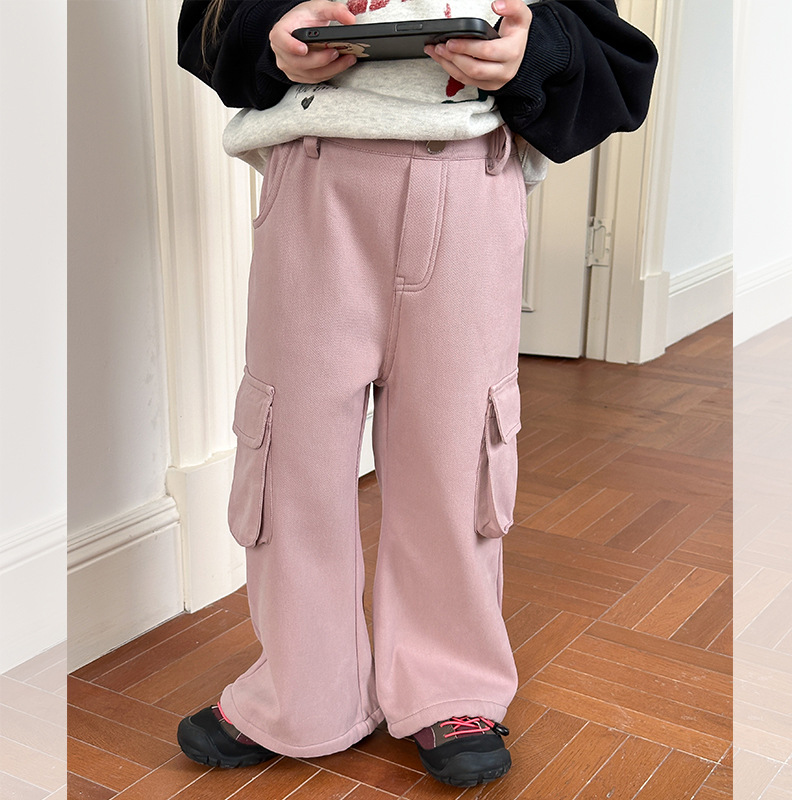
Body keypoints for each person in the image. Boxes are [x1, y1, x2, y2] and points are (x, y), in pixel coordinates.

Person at [175, 0, 657, 787]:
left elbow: (614, 57)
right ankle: (302, 689)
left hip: (470, 177)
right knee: (292, 451)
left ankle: (449, 683)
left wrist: (534, 51)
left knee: (455, 449)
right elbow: (211, 22)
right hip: (313, 178)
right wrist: (273, 34)